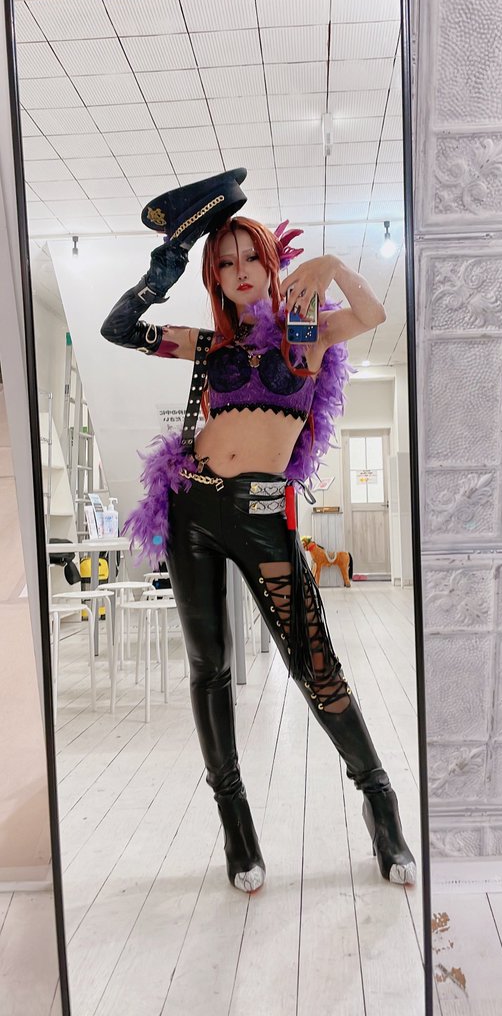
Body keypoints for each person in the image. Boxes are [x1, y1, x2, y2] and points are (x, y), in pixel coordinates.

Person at [101, 168, 416, 894]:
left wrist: (329, 264)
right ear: (215, 276)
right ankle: (236, 826)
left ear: (272, 262)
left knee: (316, 667)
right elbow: (118, 330)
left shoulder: (307, 334)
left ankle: (381, 804)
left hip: (262, 514)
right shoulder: (209, 346)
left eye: (250, 256)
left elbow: (370, 314)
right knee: (208, 667)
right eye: (225, 262)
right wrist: (158, 275)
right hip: (193, 509)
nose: (240, 270)